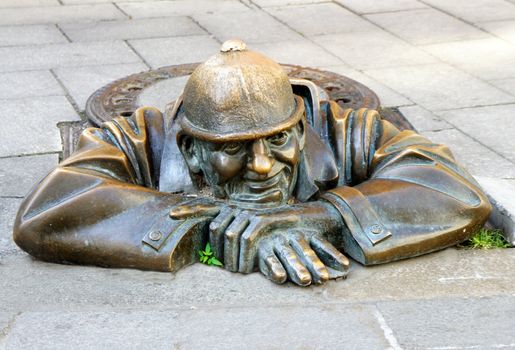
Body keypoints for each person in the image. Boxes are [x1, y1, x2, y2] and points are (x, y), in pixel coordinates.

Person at [13, 40, 491, 286]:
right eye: (233, 149)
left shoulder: (349, 130)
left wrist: (320, 216)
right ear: (191, 147)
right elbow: (45, 212)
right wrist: (216, 226)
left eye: (279, 139)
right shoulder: (139, 138)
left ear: (301, 127)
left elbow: (453, 188)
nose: (263, 166)